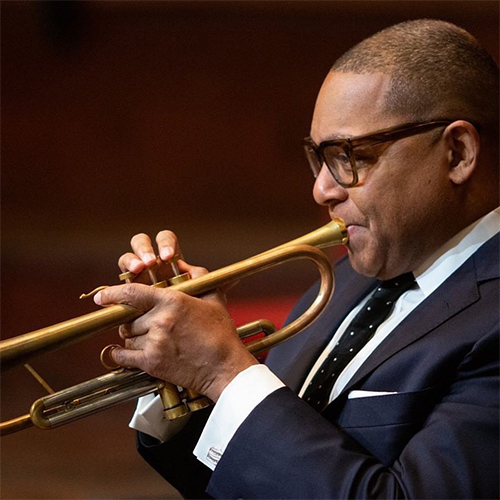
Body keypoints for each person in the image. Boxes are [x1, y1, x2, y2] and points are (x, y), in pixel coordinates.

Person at [94, 19, 499, 499]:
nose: (322, 189)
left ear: (457, 152)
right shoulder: (344, 280)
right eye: (319, 158)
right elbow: (256, 479)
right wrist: (183, 379)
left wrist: (223, 370)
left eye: (350, 157)